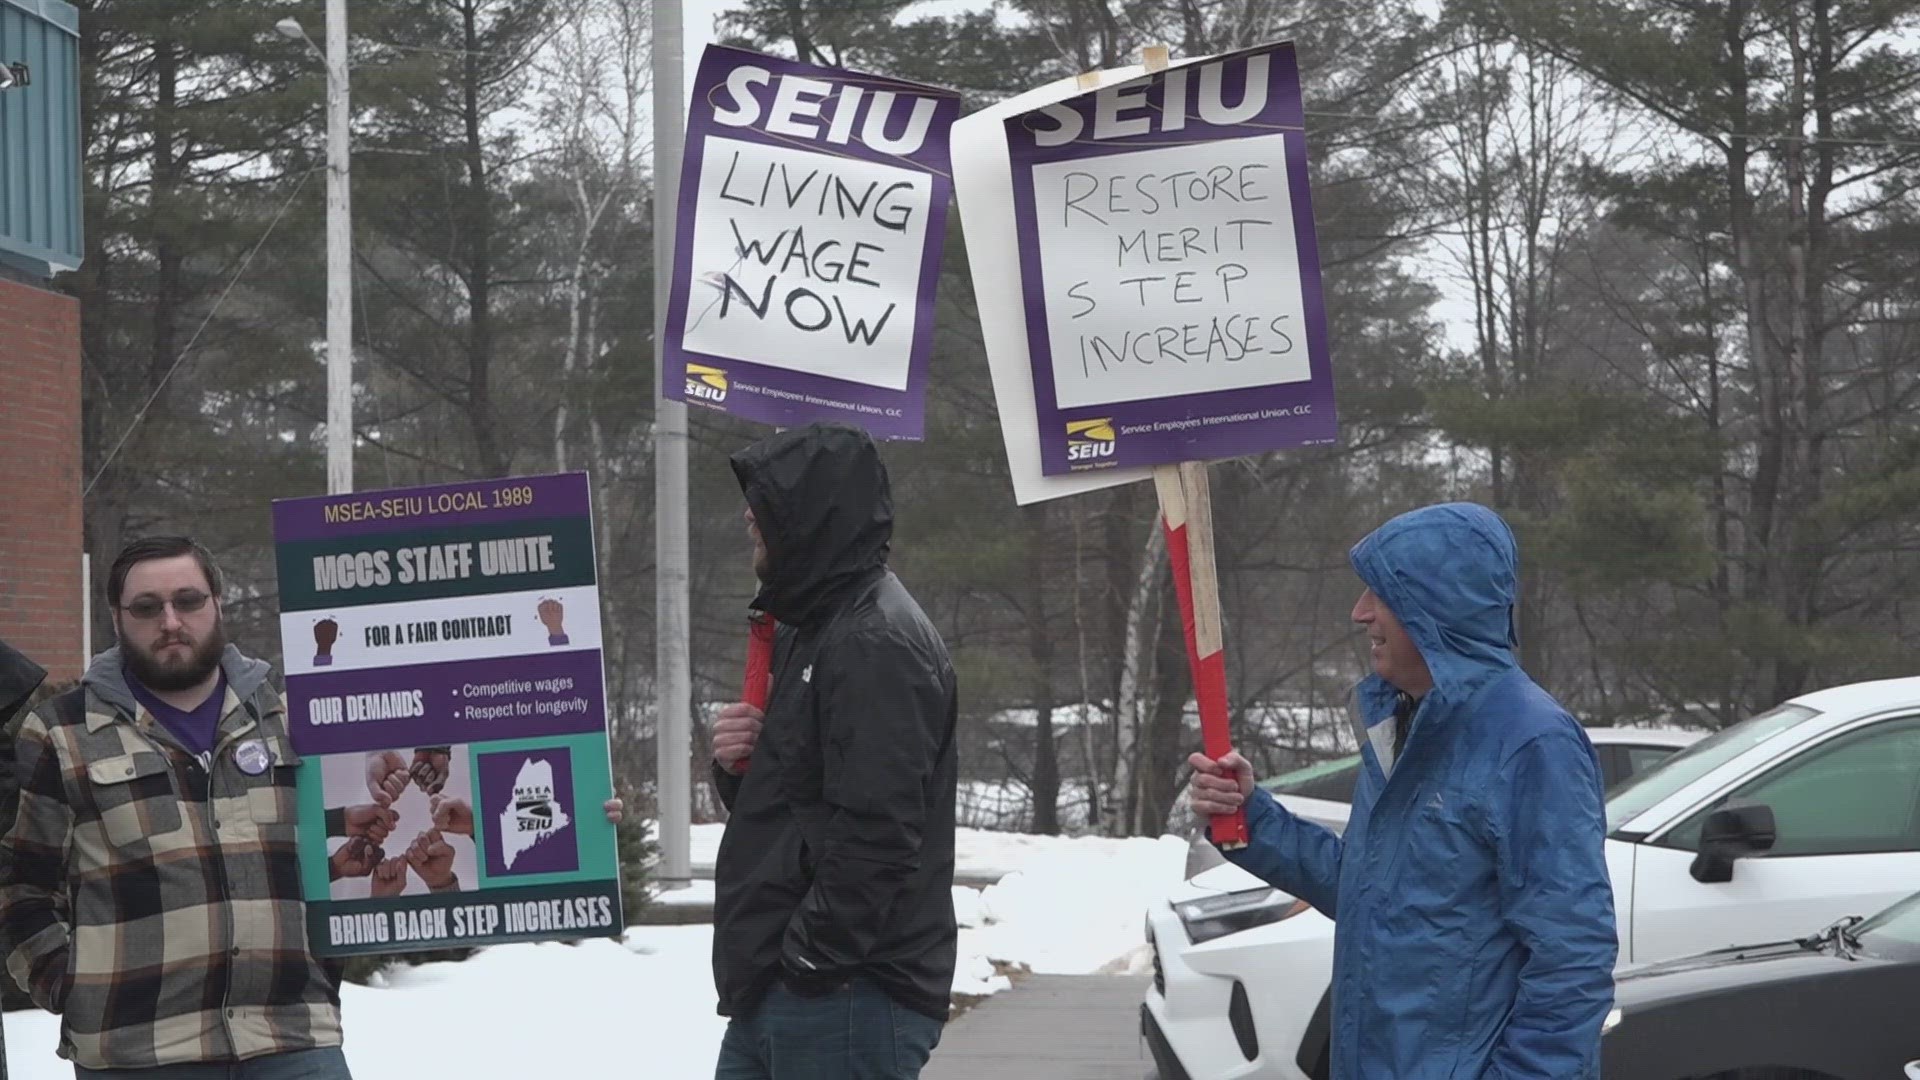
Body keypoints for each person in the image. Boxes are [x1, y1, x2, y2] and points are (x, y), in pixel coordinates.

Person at [0, 536, 621, 1078]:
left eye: (187, 600)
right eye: (147, 606)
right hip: (137, 1052)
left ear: (216, 604)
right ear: (117, 616)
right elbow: (20, 886)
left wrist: (580, 816)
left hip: (294, 1037)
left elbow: (271, 836)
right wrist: (68, 986)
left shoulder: (291, 719)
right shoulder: (63, 732)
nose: (170, 620)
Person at [1189, 503, 1617, 1080]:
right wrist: (1252, 817)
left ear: (1437, 604)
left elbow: (1572, 960)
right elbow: (1372, 894)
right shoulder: (1411, 722)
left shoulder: (1531, 741)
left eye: (1380, 594)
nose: (1359, 613)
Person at [707, 422, 960, 1080]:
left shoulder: (875, 641)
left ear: (808, 513)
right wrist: (740, 767)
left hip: (845, 993)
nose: (747, 516)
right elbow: (802, 803)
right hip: (789, 987)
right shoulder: (813, 623)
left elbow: (878, 831)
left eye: (762, 502)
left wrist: (811, 961)